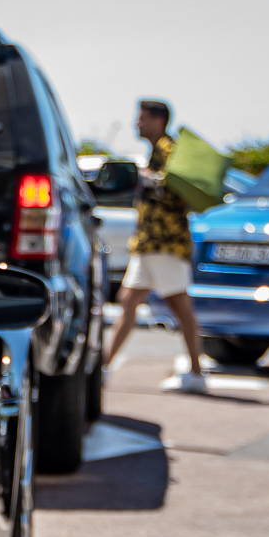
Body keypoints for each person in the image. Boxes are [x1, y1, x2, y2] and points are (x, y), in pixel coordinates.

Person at [107, 99, 207, 394]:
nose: (136, 124)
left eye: (142, 118)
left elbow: (175, 190)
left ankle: (197, 372)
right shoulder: (156, 151)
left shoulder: (169, 151)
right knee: (127, 301)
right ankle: (103, 367)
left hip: (165, 244)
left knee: (180, 307)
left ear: (158, 120)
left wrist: (146, 178)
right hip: (149, 244)